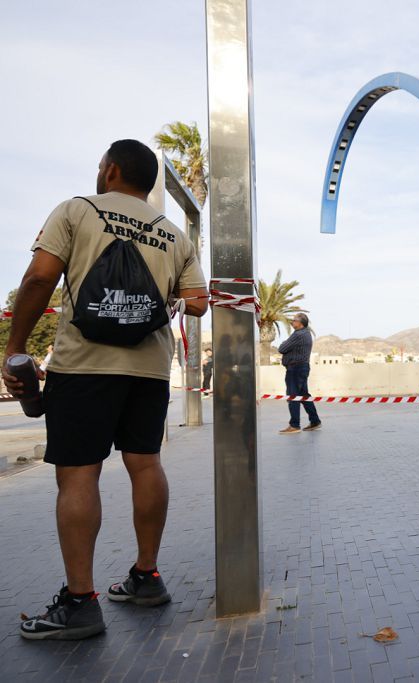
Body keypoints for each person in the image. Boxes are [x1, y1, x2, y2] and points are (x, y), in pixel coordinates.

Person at [1, 140, 209, 640]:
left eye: (100, 166)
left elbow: (38, 280)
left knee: (78, 476)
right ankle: (146, 577)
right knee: (146, 463)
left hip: (84, 367)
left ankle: (79, 602)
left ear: (111, 171)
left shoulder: (78, 210)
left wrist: (15, 346)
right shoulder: (173, 234)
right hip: (150, 370)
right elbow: (198, 302)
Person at [277, 313, 321, 433]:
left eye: (294, 320)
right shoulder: (306, 333)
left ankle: (294, 425)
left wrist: (284, 344)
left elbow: (281, 348)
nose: (292, 322)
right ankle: (315, 421)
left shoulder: (298, 334)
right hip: (301, 368)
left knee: (293, 396)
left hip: (295, 369)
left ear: (300, 323)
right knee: (304, 396)